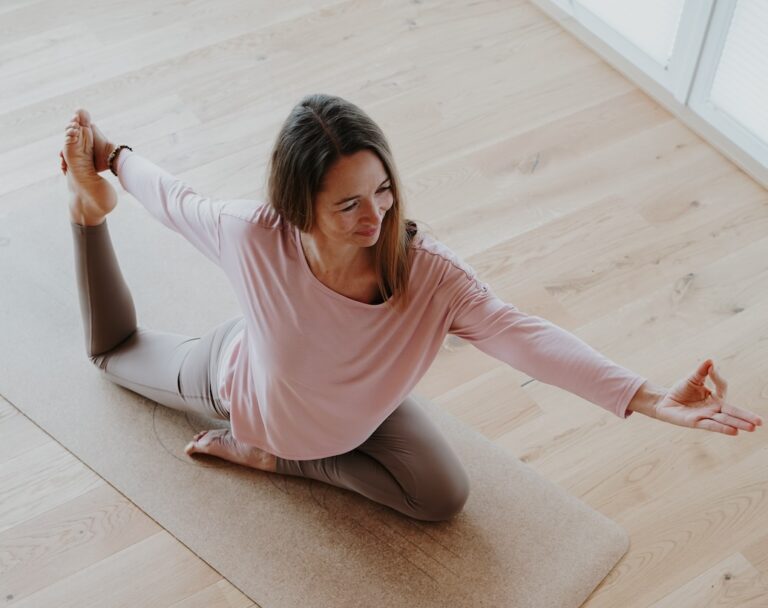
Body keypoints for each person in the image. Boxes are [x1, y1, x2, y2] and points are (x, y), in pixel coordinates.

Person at [60, 94, 763, 522]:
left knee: (443, 499)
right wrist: (112, 162)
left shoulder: (431, 276)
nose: (379, 214)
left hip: (361, 407)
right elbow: (177, 200)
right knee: (111, 357)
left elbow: (525, 338)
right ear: (300, 208)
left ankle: (278, 460)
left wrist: (648, 397)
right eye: (349, 204)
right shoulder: (256, 235)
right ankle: (83, 218)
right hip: (237, 377)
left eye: (384, 188)